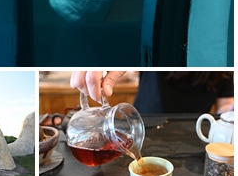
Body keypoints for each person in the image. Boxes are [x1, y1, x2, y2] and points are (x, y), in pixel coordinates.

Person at [70, 71, 234, 114]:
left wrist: (230, 110)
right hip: (144, 124)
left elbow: (224, 105)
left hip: (193, 132)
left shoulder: (223, 70)